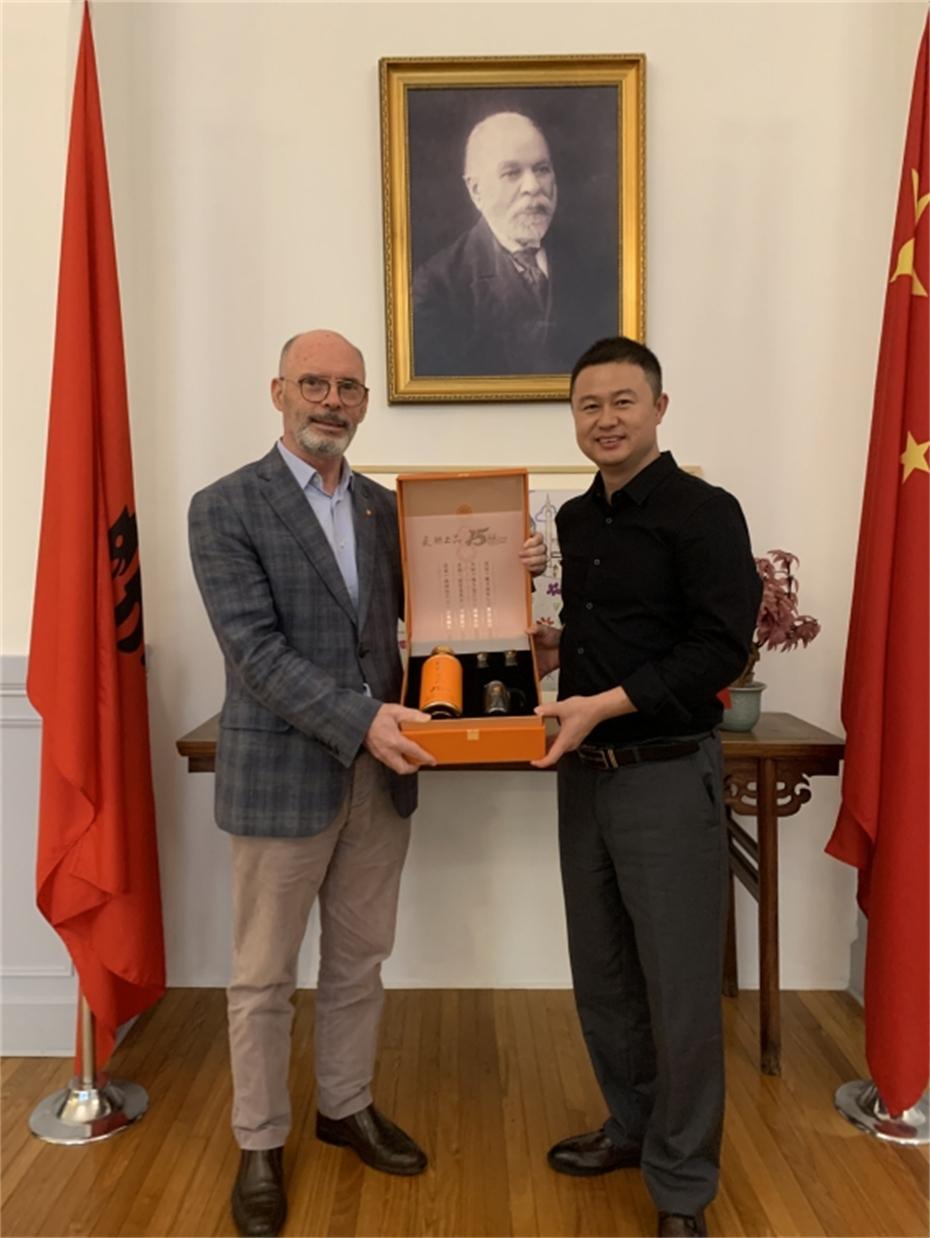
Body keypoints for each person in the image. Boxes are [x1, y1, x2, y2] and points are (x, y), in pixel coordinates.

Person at [189, 328, 546, 1237]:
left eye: (348, 387)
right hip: (284, 776)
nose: (332, 401)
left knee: (359, 961)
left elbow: (441, 622)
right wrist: (361, 720)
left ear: (363, 403)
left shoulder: (390, 511)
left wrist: (508, 575)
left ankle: (344, 1106)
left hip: (380, 780)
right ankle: (260, 1142)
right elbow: (254, 652)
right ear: (278, 392)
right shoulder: (224, 507)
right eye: (313, 383)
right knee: (262, 977)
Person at [530, 337, 761, 1238]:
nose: (606, 420)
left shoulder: (706, 512)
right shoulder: (576, 520)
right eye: (589, 405)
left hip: (664, 775)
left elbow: (718, 648)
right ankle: (630, 1126)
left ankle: (683, 1186)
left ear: (659, 408)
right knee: (604, 976)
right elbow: (601, 636)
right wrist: (531, 636)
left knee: (680, 991)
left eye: (623, 401)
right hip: (582, 780)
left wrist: (603, 705)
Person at [412, 111, 616, 377]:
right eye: (511, 173)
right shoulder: (438, 287)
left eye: (542, 169)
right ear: (476, 191)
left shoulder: (596, 265)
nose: (533, 186)